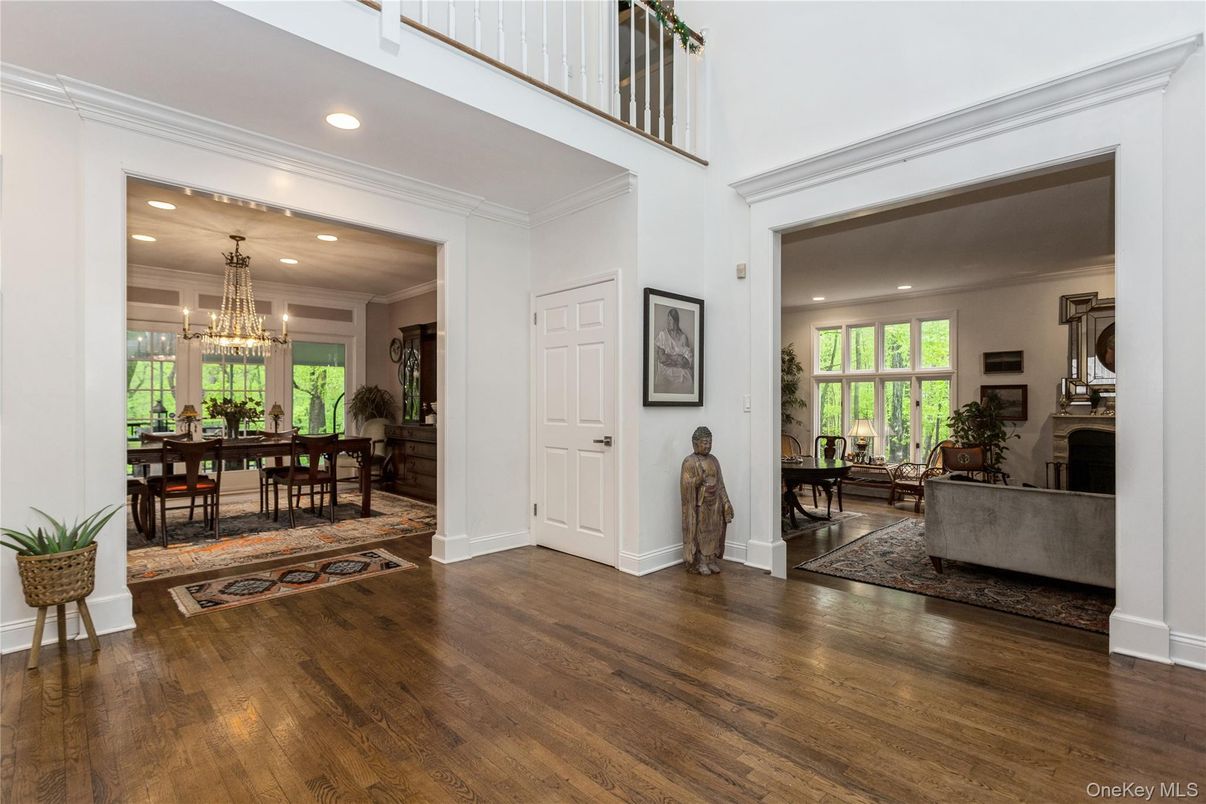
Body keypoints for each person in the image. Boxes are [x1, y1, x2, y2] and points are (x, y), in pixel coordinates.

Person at [680, 426, 733, 575]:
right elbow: (686, 485)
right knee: (702, 531)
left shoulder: (714, 460)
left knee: (715, 530)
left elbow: (721, 483)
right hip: (701, 504)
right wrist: (697, 480)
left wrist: (726, 502)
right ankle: (701, 560)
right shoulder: (689, 462)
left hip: (715, 502)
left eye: (710, 442)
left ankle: (711, 559)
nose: (708, 446)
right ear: (695, 444)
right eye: (704, 443)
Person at [655, 307, 694, 395]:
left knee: (688, 379)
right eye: (667, 319)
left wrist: (671, 358)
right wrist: (677, 357)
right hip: (666, 373)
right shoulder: (663, 335)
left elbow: (687, 362)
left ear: (676, 321)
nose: (668, 322)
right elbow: (662, 359)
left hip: (682, 372)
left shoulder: (683, 337)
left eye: (670, 319)